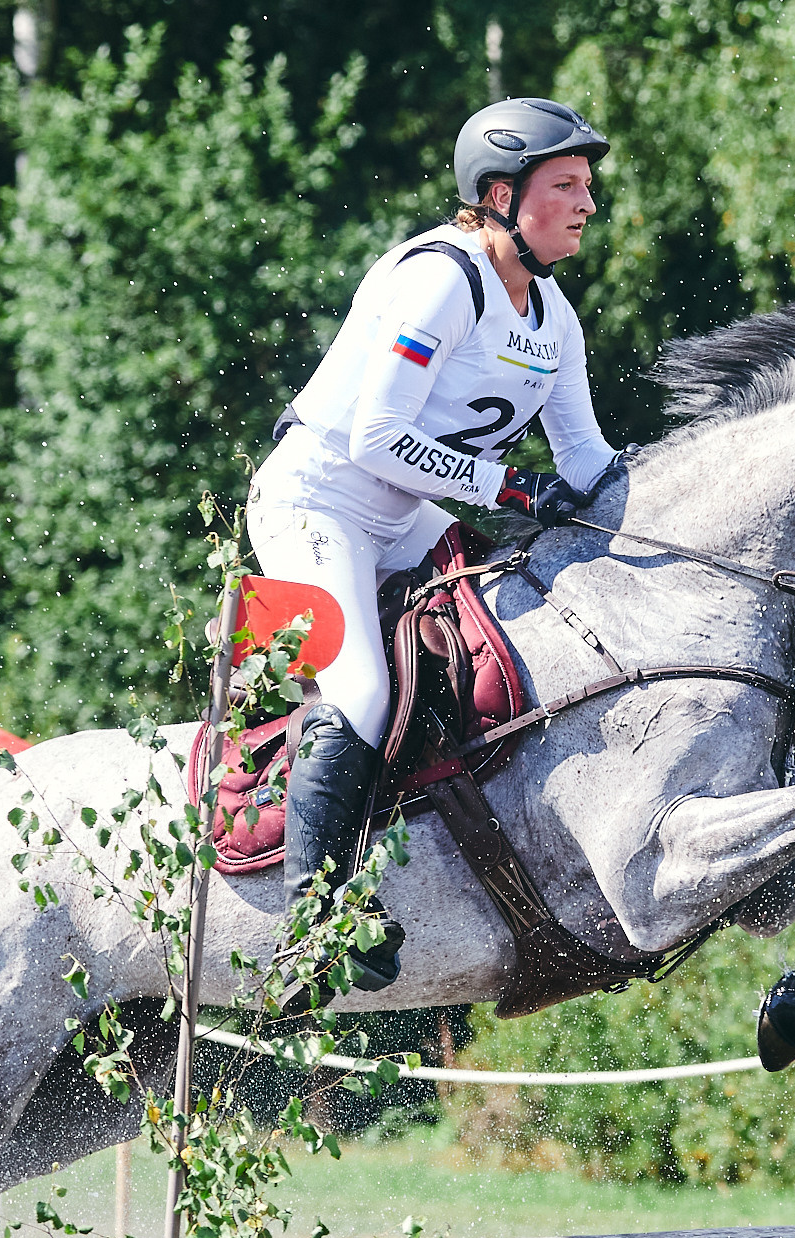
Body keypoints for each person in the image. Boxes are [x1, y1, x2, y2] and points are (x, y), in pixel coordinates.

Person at [248, 97, 623, 990]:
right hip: (317, 501)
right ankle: (310, 923)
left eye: (588, 185)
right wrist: (510, 487)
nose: (587, 203)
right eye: (566, 184)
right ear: (500, 195)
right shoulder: (443, 282)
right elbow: (377, 439)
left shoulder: (554, 318)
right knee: (363, 688)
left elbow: (587, 459)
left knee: (507, 634)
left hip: (406, 513)